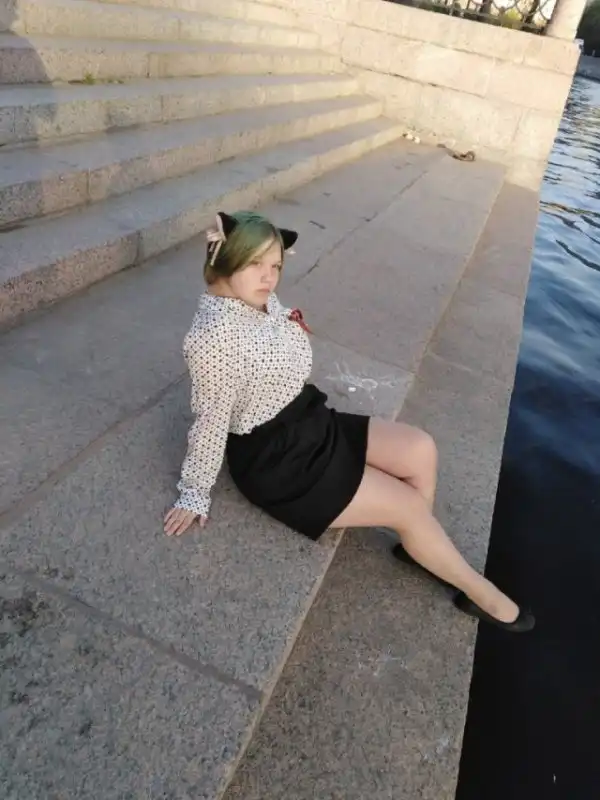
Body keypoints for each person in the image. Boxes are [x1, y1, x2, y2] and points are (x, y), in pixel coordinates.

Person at [164, 210, 534, 633]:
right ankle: (478, 591)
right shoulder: (212, 337)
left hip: (309, 421)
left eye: (276, 266)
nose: (269, 277)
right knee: (410, 506)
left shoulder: (254, 299)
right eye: (255, 264)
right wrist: (194, 492)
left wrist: (288, 325)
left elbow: (276, 327)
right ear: (226, 258)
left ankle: (419, 543)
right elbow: (210, 421)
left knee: (420, 449)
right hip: (279, 462)